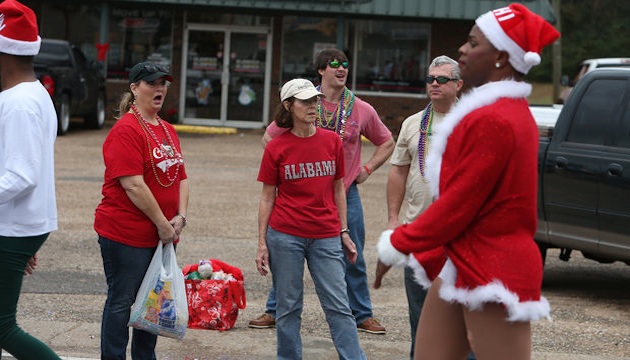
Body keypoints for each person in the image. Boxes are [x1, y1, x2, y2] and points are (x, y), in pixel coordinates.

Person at [376, 4, 560, 360]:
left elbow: (458, 205)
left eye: (473, 43)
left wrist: (397, 243)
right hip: (463, 260)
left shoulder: (495, 118)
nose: (462, 50)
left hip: (494, 270)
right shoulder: (496, 112)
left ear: (500, 57)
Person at [250, 48, 395, 334]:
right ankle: (274, 310)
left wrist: (365, 170)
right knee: (287, 253)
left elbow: (387, 141)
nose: (341, 69)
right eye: (334, 64)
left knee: (352, 252)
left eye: (345, 65)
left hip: (344, 192)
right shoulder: (301, 101)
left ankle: (362, 313)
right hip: (303, 191)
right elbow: (270, 136)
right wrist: (291, 169)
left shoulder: (360, 108)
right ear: (321, 70)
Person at [256, 78, 366, 360]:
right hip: (285, 236)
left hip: (326, 235)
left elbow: (339, 188)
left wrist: (343, 230)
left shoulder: (331, 141)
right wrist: (261, 243)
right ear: (288, 106)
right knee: (288, 306)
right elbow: (268, 197)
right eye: (305, 101)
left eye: (315, 100)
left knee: (339, 304)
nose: (313, 105)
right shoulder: (276, 148)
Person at [373, 55, 467, 359]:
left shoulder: (471, 120)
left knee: (463, 317)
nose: (434, 84)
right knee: (421, 315)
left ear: (458, 84)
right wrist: (392, 220)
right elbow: (398, 170)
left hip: (460, 237)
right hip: (419, 233)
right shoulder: (414, 123)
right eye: (430, 79)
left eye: (441, 79)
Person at [94, 61, 189, 359]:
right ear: (134, 88)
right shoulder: (126, 130)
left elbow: (182, 176)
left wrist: (180, 217)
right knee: (122, 301)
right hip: (126, 234)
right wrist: (162, 222)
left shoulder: (168, 130)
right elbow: (133, 185)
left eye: (163, 83)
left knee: (154, 301)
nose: (159, 88)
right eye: (151, 83)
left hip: (162, 234)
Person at [0, 1, 62, 359]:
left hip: (14, 225)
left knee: (2, 326)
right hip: (20, 224)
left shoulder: (20, 102)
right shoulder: (31, 94)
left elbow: (21, 175)